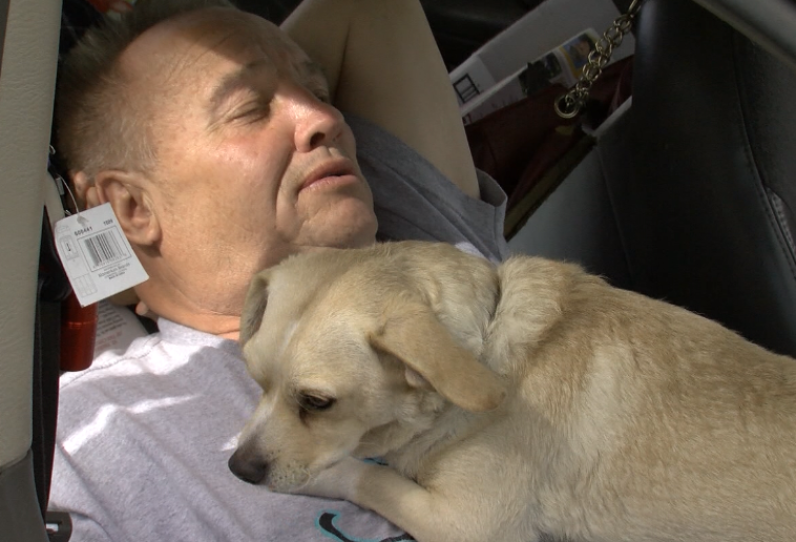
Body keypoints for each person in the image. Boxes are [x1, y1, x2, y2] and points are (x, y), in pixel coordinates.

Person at [48, 0, 509, 540]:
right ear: (132, 208)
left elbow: (375, 12)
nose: (327, 119)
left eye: (320, 93)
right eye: (250, 108)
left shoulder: (429, 258)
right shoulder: (92, 440)